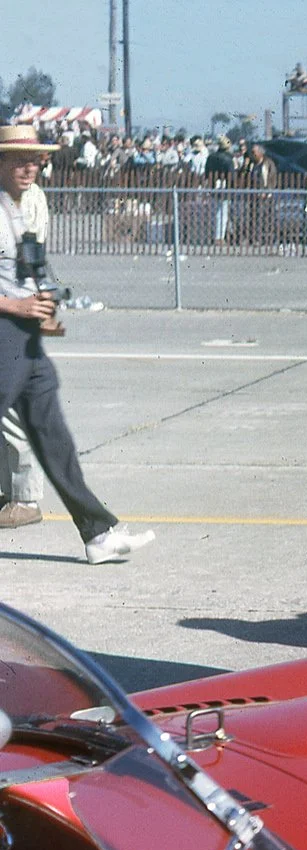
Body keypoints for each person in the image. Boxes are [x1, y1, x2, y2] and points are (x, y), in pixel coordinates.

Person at [0, 125, 153, 563]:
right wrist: (17, 308)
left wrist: (43, 311)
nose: (30, 167)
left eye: (35, 160)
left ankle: (98, 533)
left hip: (24, 339)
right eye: (18, 159)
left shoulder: (20, 207)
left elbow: (29, 272)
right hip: (4, 333)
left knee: (53, 437)